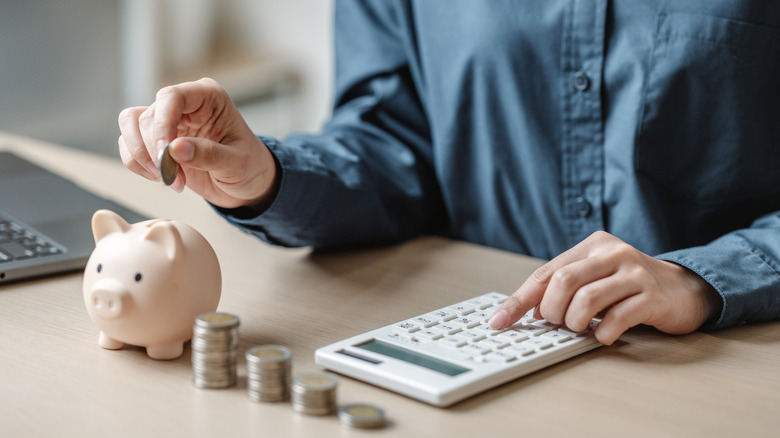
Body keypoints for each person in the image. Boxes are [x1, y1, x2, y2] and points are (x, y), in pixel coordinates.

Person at [118, 1, 780, 346]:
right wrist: (266, 174)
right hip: (493, 354)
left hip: (728, 358)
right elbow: (393, 142)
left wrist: (703, 278)